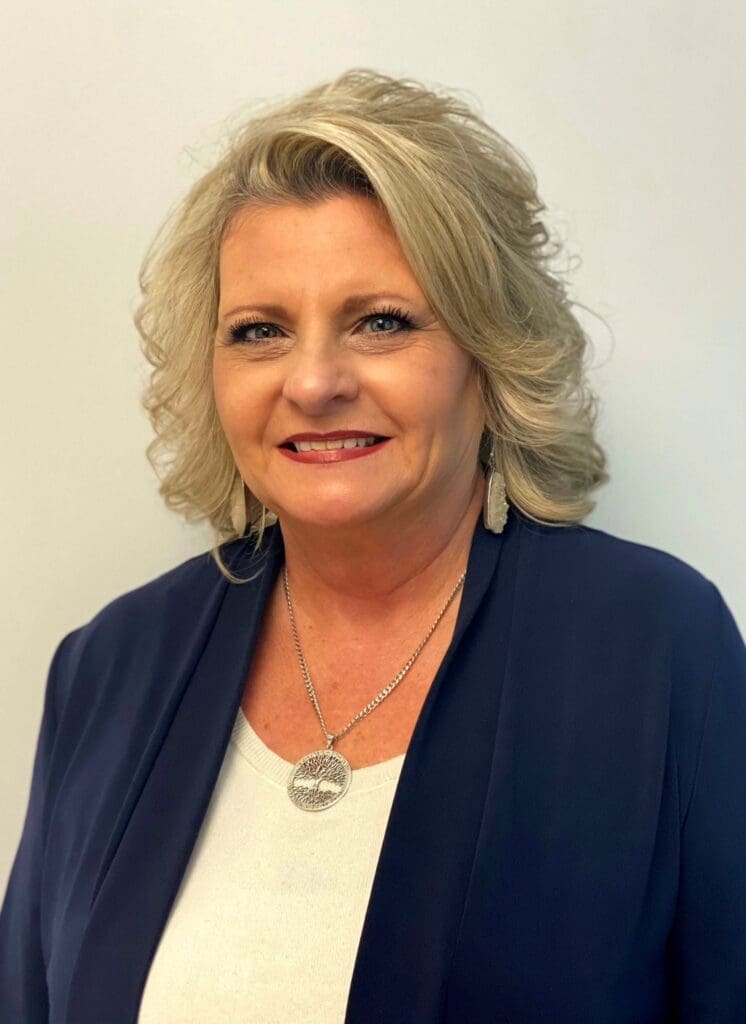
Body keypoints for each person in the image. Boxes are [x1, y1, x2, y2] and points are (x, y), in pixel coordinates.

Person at [1, 67, 744, 1024]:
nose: (313, 382)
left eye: (381, 321)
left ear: (489, 355)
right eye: (260, 330)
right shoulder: (109, 664)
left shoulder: (654, 646)